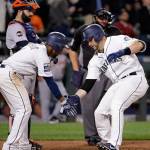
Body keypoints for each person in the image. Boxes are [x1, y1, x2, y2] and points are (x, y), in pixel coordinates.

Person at [61, 24, 149, 150]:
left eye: (89, 40)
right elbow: (88, 83)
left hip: (135, 79)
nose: (88, 44)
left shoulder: (117, 40)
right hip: (118, 83)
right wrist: (75, 97)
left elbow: (141, 44)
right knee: (100, 112)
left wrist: (123, 51)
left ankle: (114, 144)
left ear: (96, 36)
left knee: (116, 106)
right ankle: (106, 140)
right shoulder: (95, 60)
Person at [1, 31, 69, 150]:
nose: (61, 51)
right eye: (61, 47)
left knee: (21, 110)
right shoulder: (42, 54)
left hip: (9, 74)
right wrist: (62, 100)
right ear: (56, 46)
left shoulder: (39, 49)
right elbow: (50, 81)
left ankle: (23, 144)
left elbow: (32, 74)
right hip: (9, 75)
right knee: (24, 109)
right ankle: (10, 146)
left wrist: (30, 92)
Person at [68, 8, 121, 145]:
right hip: (91, 71)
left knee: (111, 105)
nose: (104, 21)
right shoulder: (83, 30)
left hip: (111, 71)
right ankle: (91, 135)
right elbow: (73, 50)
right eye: (101, 18)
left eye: (106, 18)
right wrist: (75, 70)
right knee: (89, 106)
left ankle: (110, 136)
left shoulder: (114, 31)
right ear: (95, 17)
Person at [5, 0, 42, 149]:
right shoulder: (15, 26)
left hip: (28, 71)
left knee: (27, 105)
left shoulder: (27, 26)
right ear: (20, 10)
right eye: (29, 10)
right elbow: (24, 47)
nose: (32, 13)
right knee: (19, 108)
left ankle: (24, 140)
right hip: (18, 70)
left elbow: (39, 45)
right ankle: (16, 141)